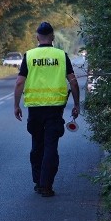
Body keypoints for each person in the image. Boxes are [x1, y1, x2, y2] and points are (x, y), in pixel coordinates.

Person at [13, 21, 80, 197]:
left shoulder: (29, 56)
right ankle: (46, 185)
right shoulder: (61, 55)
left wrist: (16, 105)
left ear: (37, 37)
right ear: (52, 37)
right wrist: (77, 104)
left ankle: (37, 181)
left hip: (35, 110)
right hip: (55, 109)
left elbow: (20, 82)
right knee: (51, 146)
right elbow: (73, 81)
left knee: (37, 145)